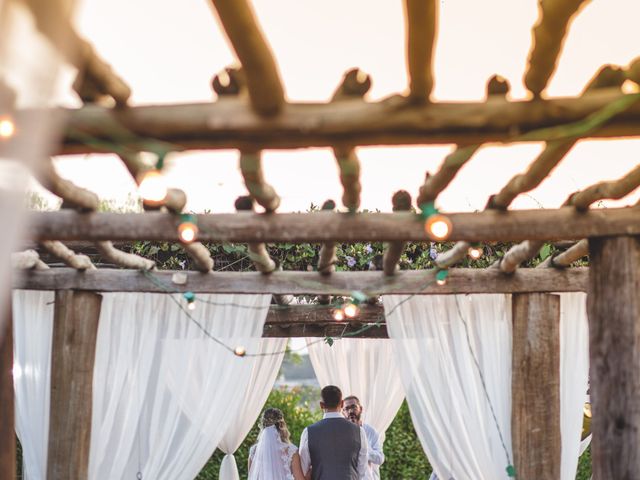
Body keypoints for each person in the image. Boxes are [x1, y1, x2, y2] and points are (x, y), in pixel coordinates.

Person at [299, 385, 369, 480]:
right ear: (342, 403)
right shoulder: (359, 431)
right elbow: (363, 473)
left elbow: (302, 470)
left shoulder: (308, 432)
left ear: (321, 405)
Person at [248, 407, 306, 480]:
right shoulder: (291, 451)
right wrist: (310, 472)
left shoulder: (254, 451)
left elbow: (251, 477)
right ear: (282, 425)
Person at [342, 395, 385, 480]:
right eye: (346, 408)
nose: (350, 411)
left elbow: (380, 458)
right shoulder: (340, 433)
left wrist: (363, 450)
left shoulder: (371, 432)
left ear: (360, 409)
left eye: (353, 407)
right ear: (343, 412)